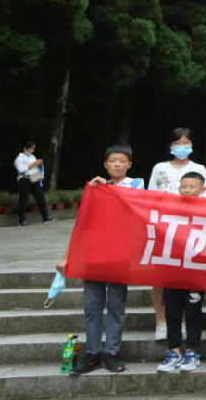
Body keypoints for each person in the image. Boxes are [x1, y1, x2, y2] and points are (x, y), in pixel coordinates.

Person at [60, 144, 142, 375]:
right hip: (94, 252)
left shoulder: (137, 184)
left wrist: (108, 187)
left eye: (122, 161)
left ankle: (111, 352)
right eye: (112, 161)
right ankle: (93, 353)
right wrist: (68, 254)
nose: (117, 164)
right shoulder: (94, 188)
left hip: (120, 253)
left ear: (129, 164)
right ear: (105, 165)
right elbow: (83, 222)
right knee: (92, 305)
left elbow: (134, 204)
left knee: (116, 305)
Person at [147, 128, 206, 340]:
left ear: (192, 144)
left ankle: (181, 322)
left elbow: (205, 196)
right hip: (163, 227)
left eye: (186, 142)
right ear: (170, 146)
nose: (181, 146)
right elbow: (150, 196)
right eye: (177, 143)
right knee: (159, 276)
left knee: (184, 277)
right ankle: (161, 322)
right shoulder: (160, 168)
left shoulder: (198, 168)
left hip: (189, 229)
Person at [156, 172, 206, 373]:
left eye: (192, 187)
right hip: (172, 270)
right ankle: (174, 351)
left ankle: (192, 351)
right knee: (172, 312)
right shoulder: (171, 208)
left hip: (196, 272)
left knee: (193, 313)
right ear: (178, 188)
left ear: (202, 190)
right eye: (184, 186)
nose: (187, 190)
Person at [14, 141, 53, 226]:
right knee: (23, 200)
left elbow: (34, 168)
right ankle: (22, 220)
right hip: (24, 179)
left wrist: (39, 164)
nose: (32, 150)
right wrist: (34, 163)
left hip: (33, 178)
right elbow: (21, 170)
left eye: (33, 148)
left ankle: (45, 217)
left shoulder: (32, 156)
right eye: (31, 148)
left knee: (41, 197)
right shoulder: (20, 157)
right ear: (25, 148)